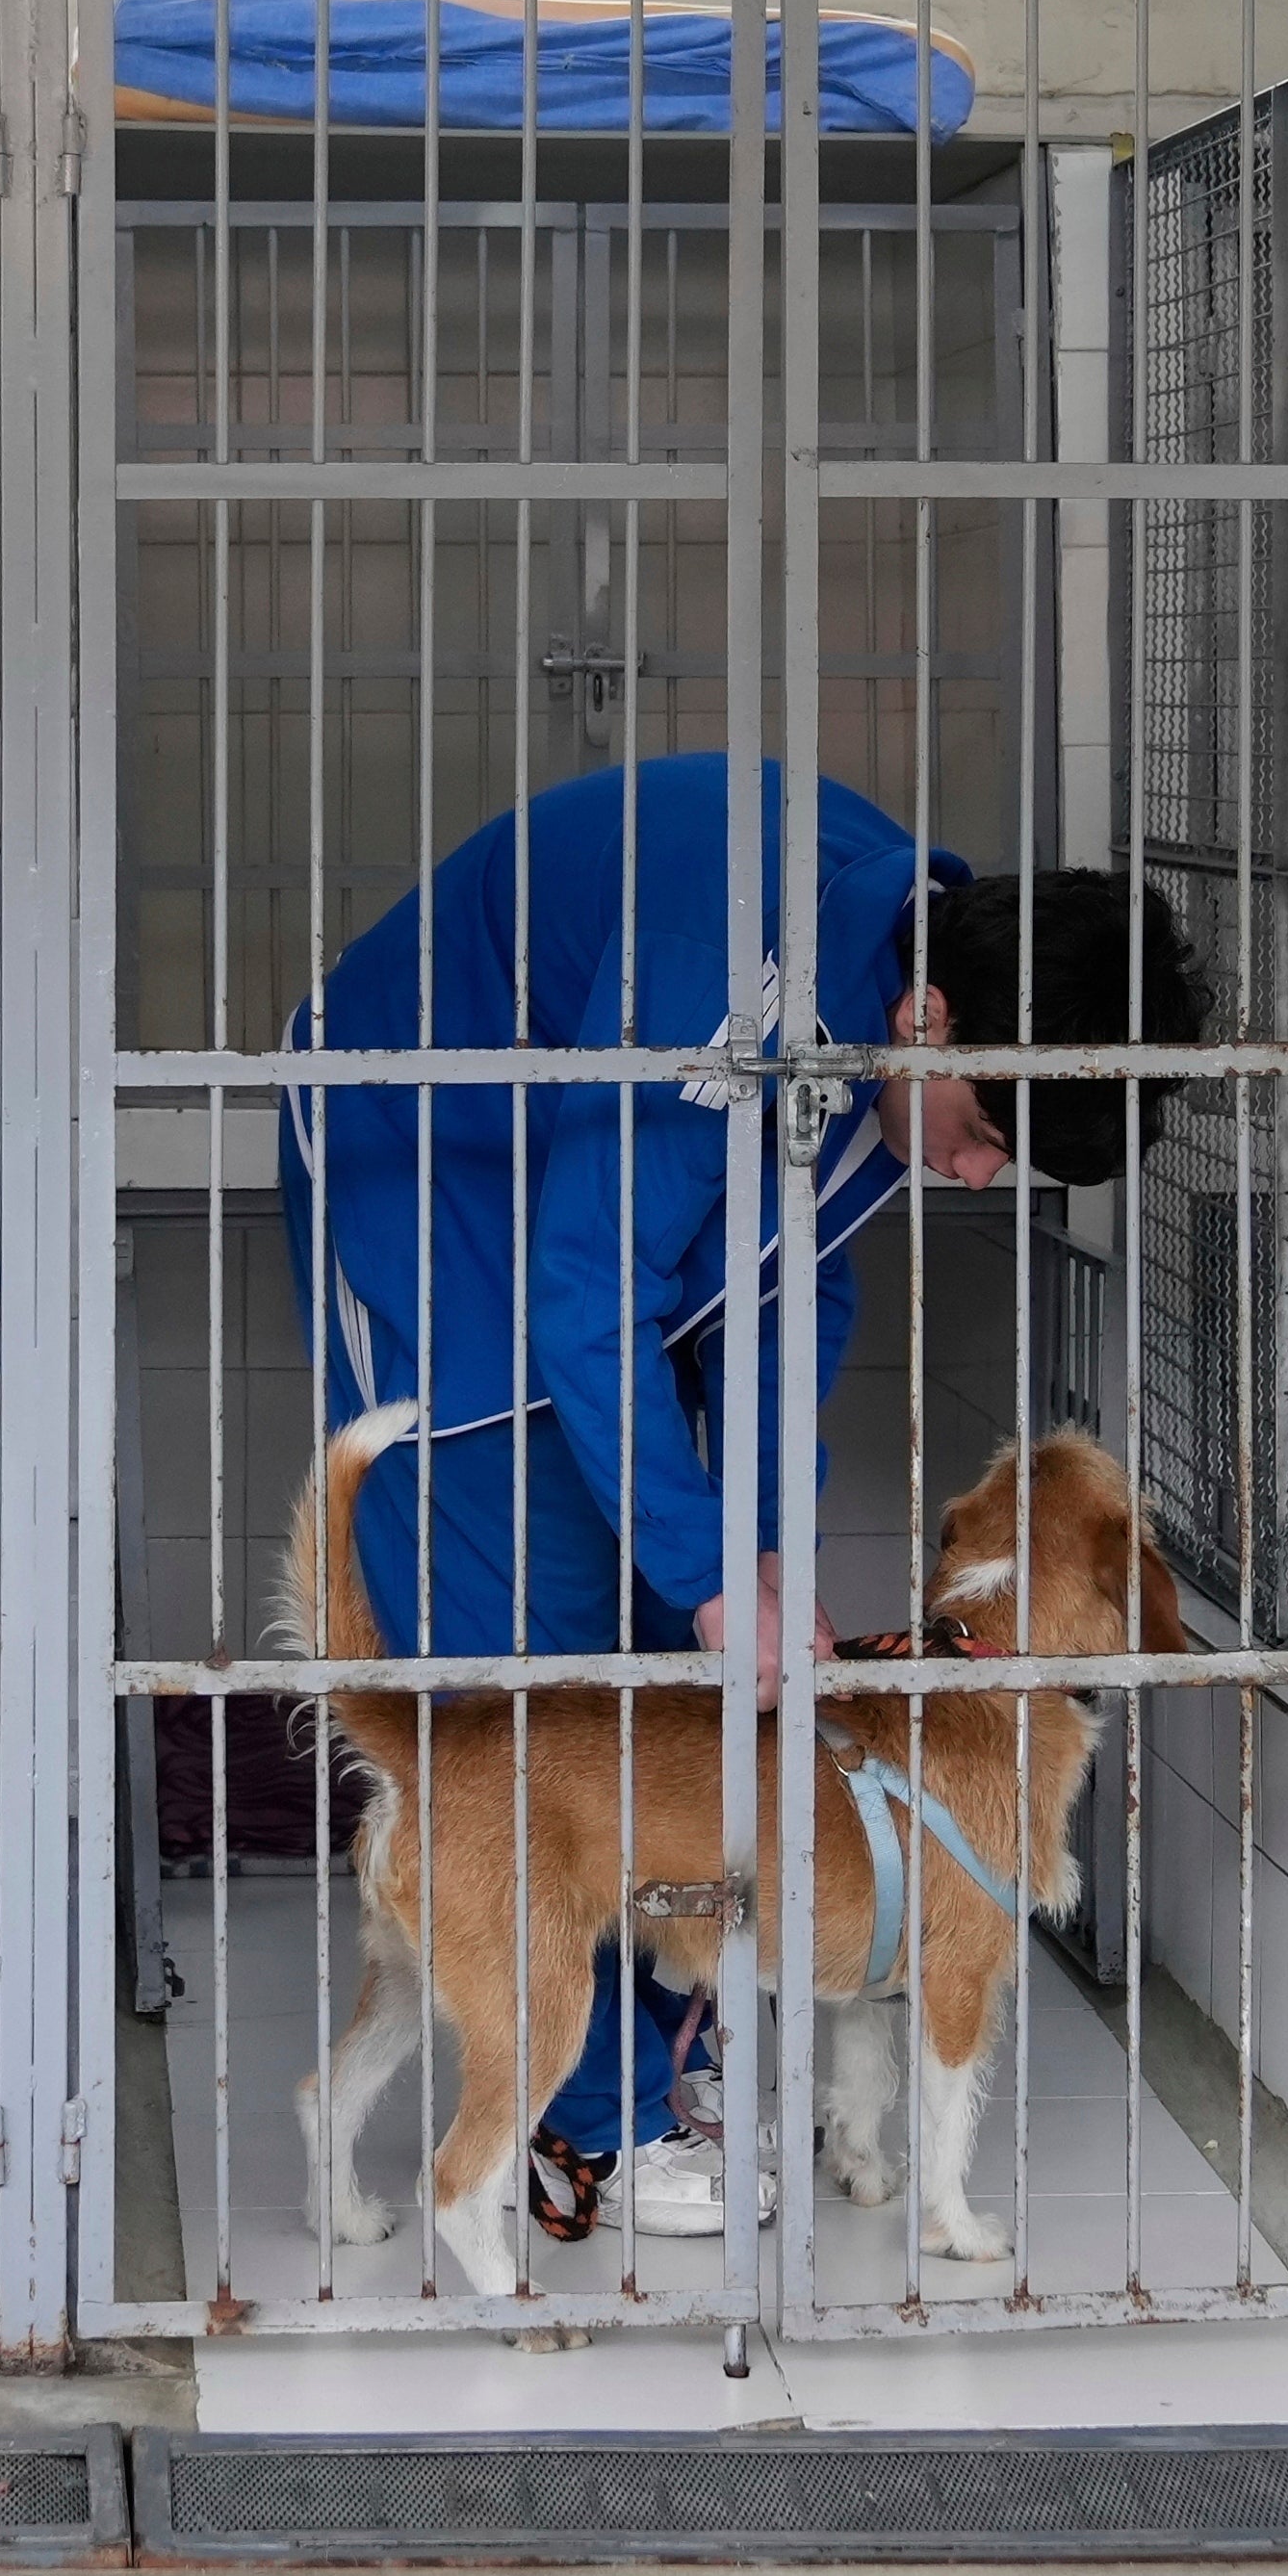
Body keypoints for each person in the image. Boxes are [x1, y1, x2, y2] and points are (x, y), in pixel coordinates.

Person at [279, 754, 1207, 2248]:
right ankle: (582, 2132)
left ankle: (643, 2062)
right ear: (927, 1020)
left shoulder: (908, 980)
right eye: (981, 1130)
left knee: (689, 1654)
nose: (973, 1173)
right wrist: (714, 1566)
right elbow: (585, 1284)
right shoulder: (739, 978)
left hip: (603, 1170)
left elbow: (792, 1293)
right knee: (538, 1610)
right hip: (432, 1137)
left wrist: (753, 1549)